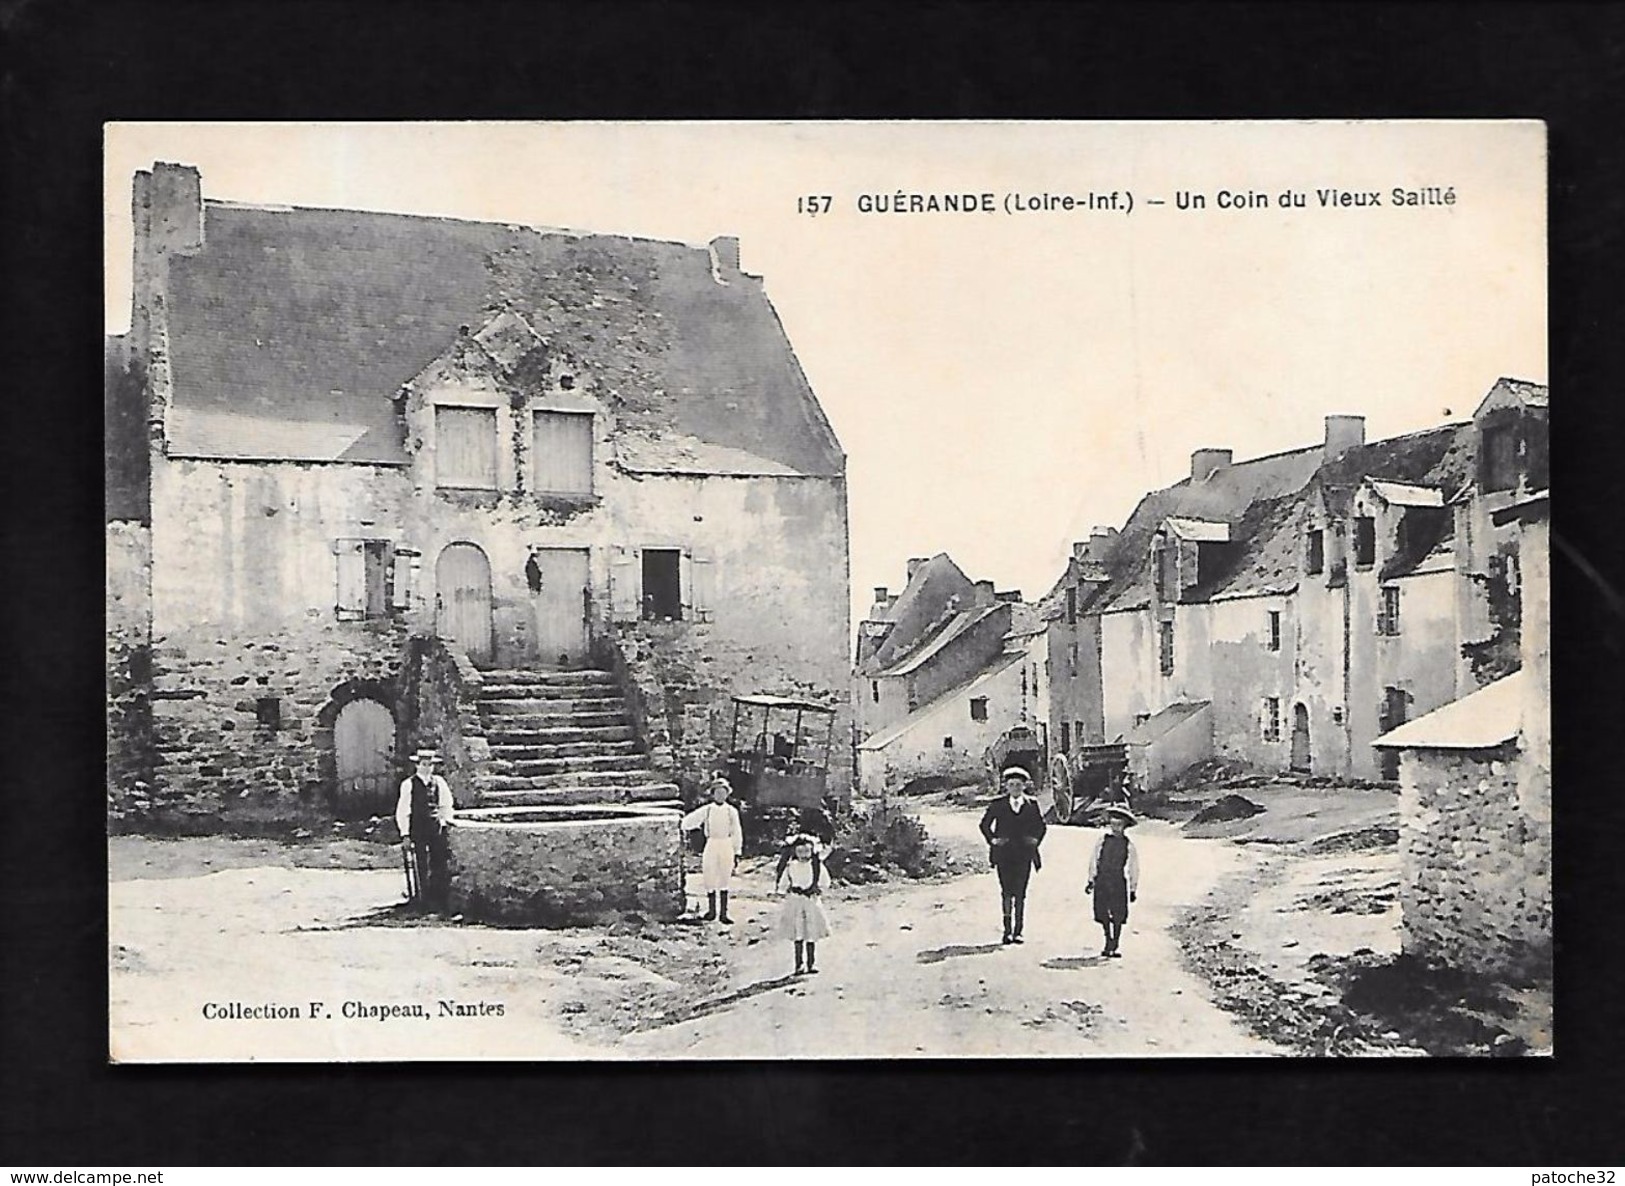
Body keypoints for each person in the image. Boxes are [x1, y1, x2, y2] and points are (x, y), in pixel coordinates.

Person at [978, 766, 1048, 944]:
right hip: (1004, 856)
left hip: (1024, 855)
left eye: (1019, 785)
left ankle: (1018, 931)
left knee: (1021, 893)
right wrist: (993, 840)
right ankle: (1007, 930)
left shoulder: (1031, 804)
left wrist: (1035, 840)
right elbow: (984, 825)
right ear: (1006, 787)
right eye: (1012, 785)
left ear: (1024, 786)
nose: (1015, 788)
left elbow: (1041, 827)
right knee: (1006, 892)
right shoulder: (998, 805)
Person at [395, 747, 455, 911]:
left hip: (435, 828)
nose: (427, 767)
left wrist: (445, 821)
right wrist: (405, 834)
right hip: (418, 829)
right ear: (417, 765)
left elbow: (446, 805)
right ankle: (421, 900)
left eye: (430, 765)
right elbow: (403, 810)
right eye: (423, 764)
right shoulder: (409, 784)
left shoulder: (439, 783)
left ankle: (437, 899)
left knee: (438, 861)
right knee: (420, 863)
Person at [682, 776, 744, 923]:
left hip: (726, 844)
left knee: (724, 877)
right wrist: (682, 824)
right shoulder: (708, 809)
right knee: (709, 874)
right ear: (713, 793)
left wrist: (737, 851)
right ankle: (711, 911)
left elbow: (736, 831)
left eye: (723, 792)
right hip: (712, 843)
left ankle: (724, 913)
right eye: (717, 792)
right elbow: (690, 821)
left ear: (728, 794)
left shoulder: (731, 811)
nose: (720, 795)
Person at [1086, 804, 1141, 958]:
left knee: (1117, 913)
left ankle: (1115, 942)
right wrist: (1091, 879)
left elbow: (1133, 867)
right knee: (1102, 911)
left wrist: (1132, 888)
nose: (1116, 828)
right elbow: (1094, 859)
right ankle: (1107, 939)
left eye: (1119, 825)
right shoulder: (1102, 840)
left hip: (1117, 881)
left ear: (1125, 826)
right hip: (1102, 879)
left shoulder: (1128, 845)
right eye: (1113, 824)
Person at [773, 833, 831, 975]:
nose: (803, 855)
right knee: (798, 932)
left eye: (806, 851)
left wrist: (819, 889)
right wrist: (782, 890)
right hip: (796, 901)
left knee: (810, 932)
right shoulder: (791, 866)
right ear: (794, 852)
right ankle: (799, 964)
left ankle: (811, 963)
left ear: (812, 851)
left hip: (810, 901)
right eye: (799, 852)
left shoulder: (816, 866)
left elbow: (825, 881)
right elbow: (784, 881)